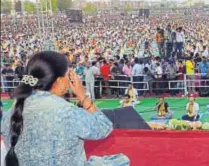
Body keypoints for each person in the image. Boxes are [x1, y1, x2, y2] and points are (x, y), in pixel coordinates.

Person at [0, 51, 129, 166]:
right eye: (69, 75)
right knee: (121, 160)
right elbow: (104, 127)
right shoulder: (65, 112)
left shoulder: (13, 111)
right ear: (60, 82)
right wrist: (82, 95)